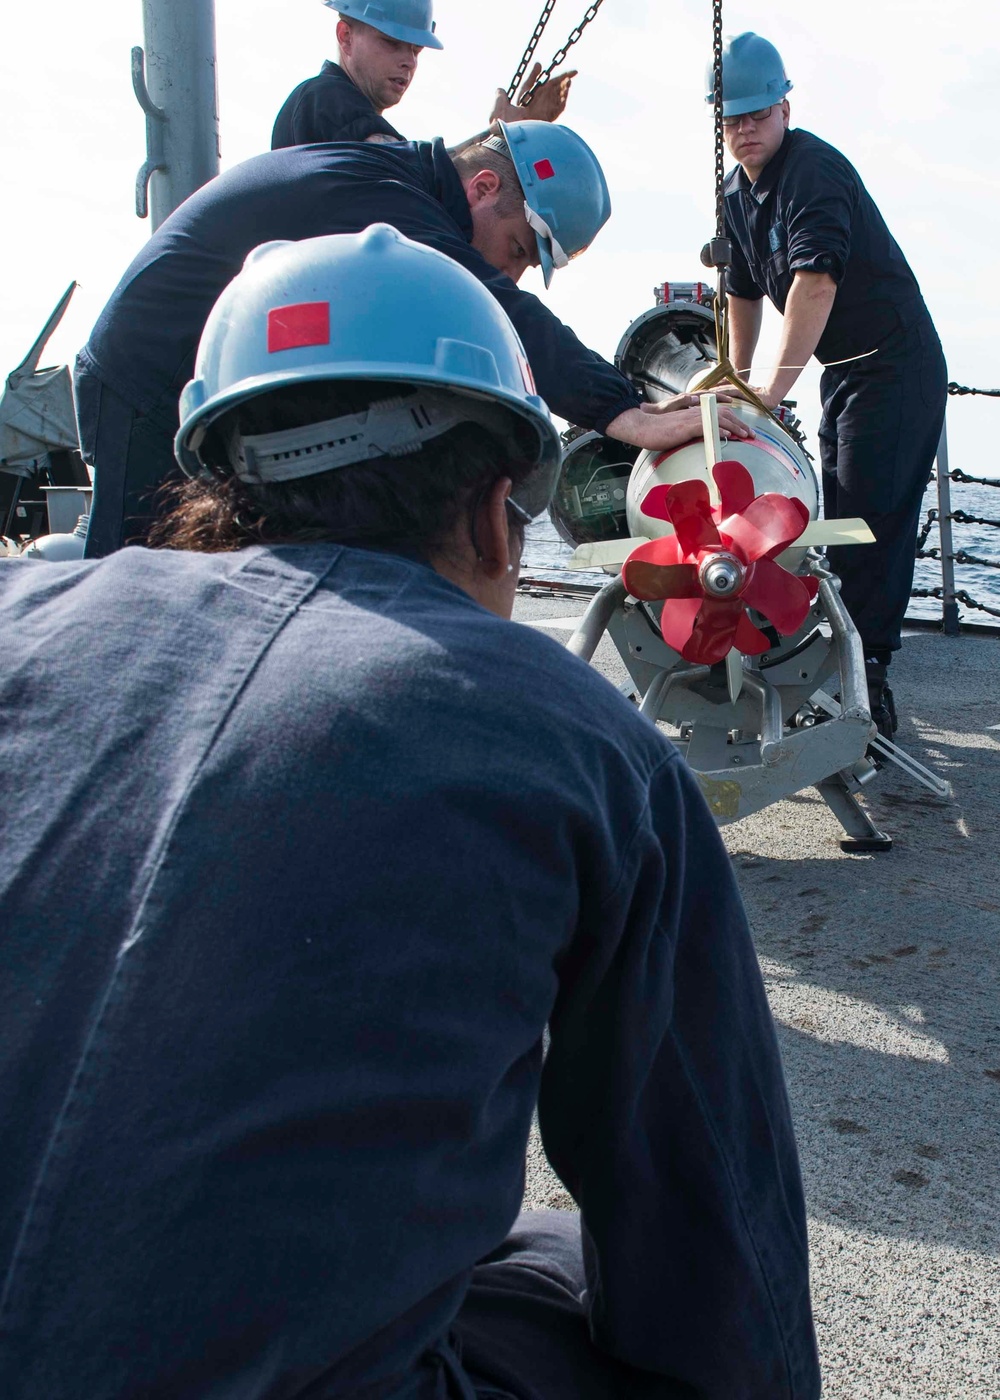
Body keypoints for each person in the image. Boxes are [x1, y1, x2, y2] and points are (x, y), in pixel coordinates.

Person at [0, 223, 820, 1399]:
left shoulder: (20, 617)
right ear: (496, 512)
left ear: (218, 476)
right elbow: (712, 1221)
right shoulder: (575, 739)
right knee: (554, 1260)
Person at [75, 121, 751, 557]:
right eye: (518, 247)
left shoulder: (387, 182)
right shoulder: (387, 199)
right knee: (138, 586)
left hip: (202, 391)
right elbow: (494, 301)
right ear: (483, 187)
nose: (511, 268)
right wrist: (621, 411)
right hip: (145, 382)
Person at [710, 31, 947, 739]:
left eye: (757, 114)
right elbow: (744, 297)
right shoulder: (734, 192)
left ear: (785, 108)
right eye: (732, 119)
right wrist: (734, 384)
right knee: (831, 518)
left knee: (869, 526)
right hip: (842, 373)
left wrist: (767, 397)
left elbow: (813, 285)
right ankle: (821, 662)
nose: (745, 129)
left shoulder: (812, 173)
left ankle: (868, 681)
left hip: (896, 365)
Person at [271, 0, 574, 150]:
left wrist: (504, 135)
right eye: (392, 43)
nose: (408, 62)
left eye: (415, 50)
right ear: (346, 36)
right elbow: (415, 177)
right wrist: (501, 136)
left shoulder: (336, 110)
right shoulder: (325, 99)